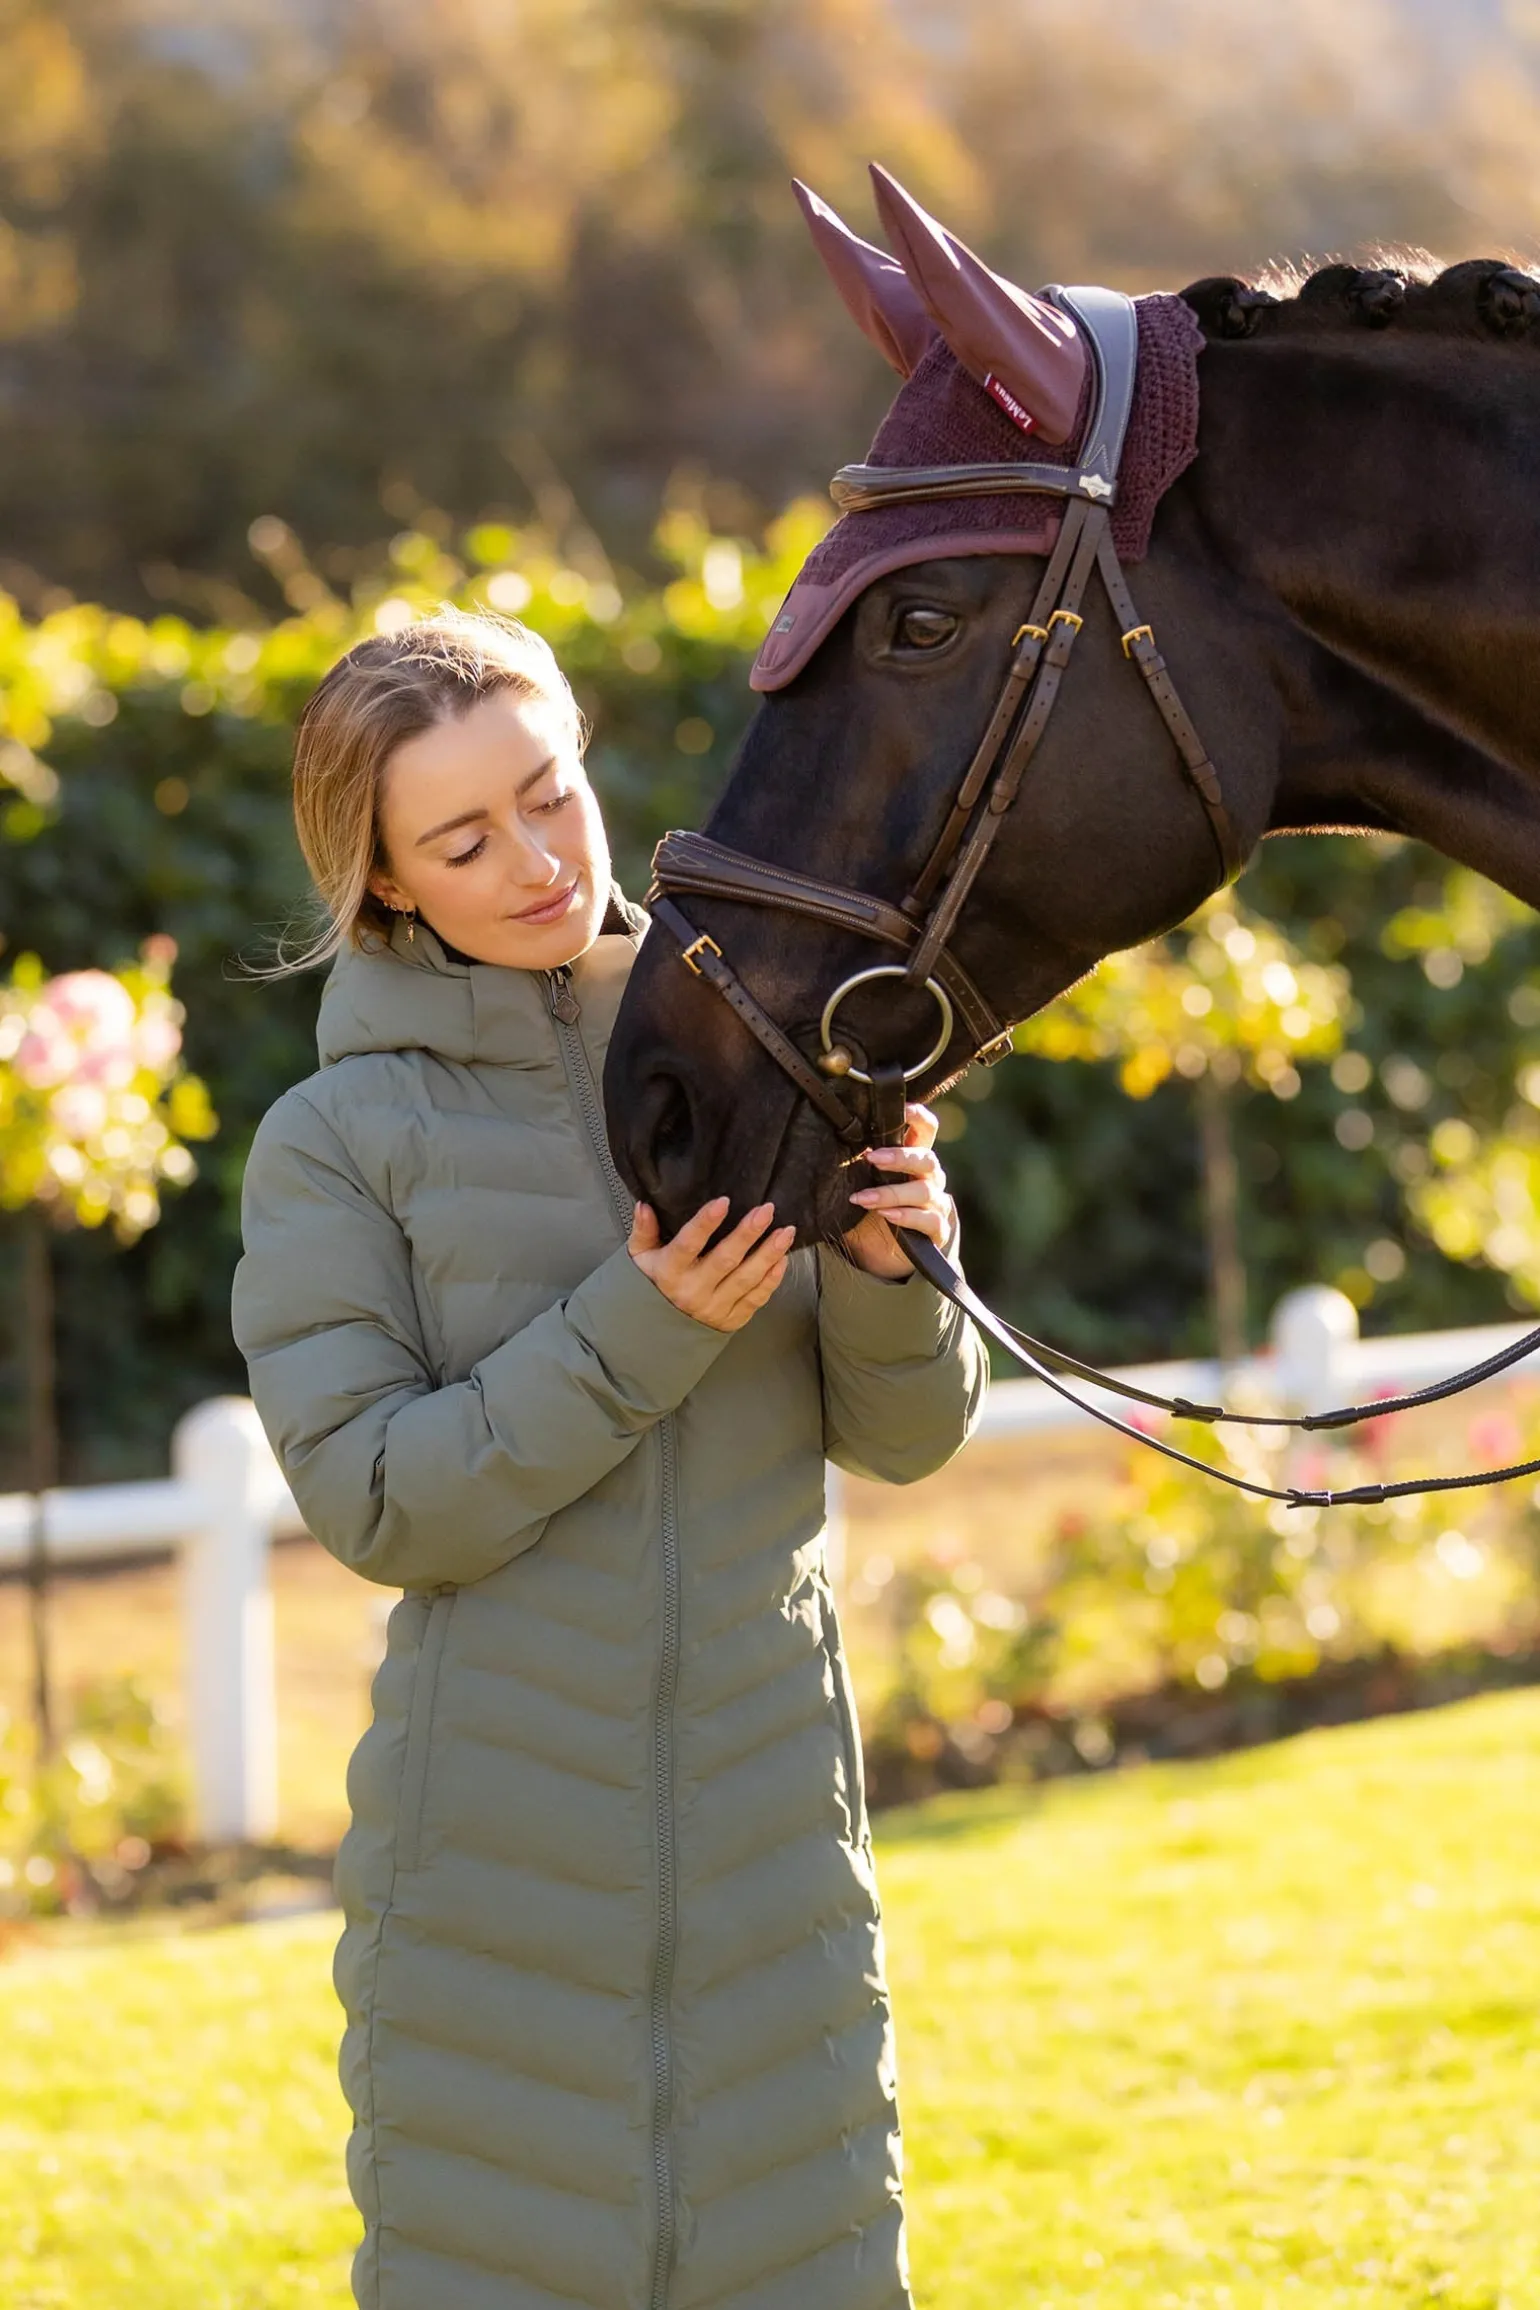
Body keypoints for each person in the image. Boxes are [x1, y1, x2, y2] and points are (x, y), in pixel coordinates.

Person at [231, 609, 985, 2310]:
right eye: (462, 841)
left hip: (774, 1850)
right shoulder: (337, 1142)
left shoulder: (765, 1054)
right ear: (386, 879)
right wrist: (640, 1327)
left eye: (549, 793)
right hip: (493, 1875)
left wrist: (898, 1272)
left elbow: (909, 1434)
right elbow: (379, 1498)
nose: (537, 860)